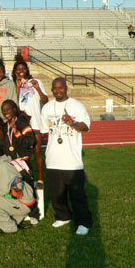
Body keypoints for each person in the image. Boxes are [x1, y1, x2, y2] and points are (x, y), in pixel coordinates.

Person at [40, 77, 93, 236]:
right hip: (53, 159)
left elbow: (86, 127)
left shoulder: (76, 106)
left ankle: (83, 222)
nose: (58, 91)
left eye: (60, 88)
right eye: (55, 88)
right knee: (57, 194)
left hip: (72, 162)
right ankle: (63, 216)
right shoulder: (47, 108)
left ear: (66, 88)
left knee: (77, 196)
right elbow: (44, 131)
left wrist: (72, 123)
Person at [0, 146, 36, 234]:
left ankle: (10, 228)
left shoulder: (3, 166)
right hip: (19, 201)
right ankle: (14, 220)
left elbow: (2, 191)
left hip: (24, 203)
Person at [12, 55, 49, 189]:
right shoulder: (14, 84)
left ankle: (40, 179)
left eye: (23, 68)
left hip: (35, 122)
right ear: (15, 71)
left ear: (27, 70)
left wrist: (38, 88)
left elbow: (45, 101)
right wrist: (17, 87)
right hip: (22, 124)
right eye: (18, 69)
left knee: (37, 151)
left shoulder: (36, 81)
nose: (20, 71)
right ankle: (25, 178)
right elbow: (13, 104)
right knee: (22, 153)